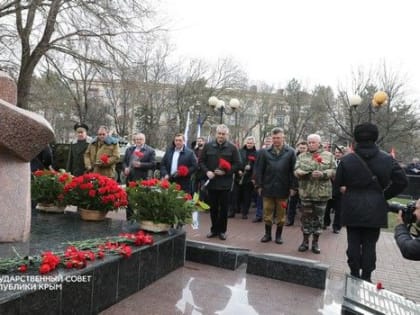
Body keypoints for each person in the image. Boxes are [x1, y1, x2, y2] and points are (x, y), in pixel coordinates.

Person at [334, 122, 408, 281]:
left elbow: (337, 185)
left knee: (353, 241)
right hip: (375, 207)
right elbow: (402, 181)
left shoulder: (347, 160)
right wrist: (383, 195)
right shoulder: (387, 159)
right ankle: (366, 276)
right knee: (370, 244)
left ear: (356, 137)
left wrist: (345, 193)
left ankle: (354, 273)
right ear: (375, 137)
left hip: (352, 206)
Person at [294, 134, 336, 254]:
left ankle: (315, 242)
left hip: (321, 193)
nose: (311, 144)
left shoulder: (328, 155)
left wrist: (323, 174)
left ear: (319, 143)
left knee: (319, 219)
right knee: (305, 218)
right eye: (309, 142)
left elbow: (334, 170)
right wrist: (301, 173)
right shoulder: (302, 156)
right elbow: (296, 169)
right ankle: (305, 241)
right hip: (306, 191)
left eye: (313, 142)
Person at [199, 124, 241, 240]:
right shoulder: (208, 146)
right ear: (216, 133)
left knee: (223, 209)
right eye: (219, 133)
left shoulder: (232, 148)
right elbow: (201, 161)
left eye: (223, 134)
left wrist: (226, 172)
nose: (221, 136)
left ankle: (222, 231)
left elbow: (238, 164)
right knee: (213, 208)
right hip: (211, 183)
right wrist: (207, 172)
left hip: (225, 183)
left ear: (227, 135)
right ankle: (214, 230)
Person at [255, 128, 297, 244]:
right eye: (274, 138)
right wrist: (259, 185)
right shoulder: (264, 152)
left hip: (283, 189)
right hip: (267, 188)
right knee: (267, 213)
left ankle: (279, 235)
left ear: (283, 137)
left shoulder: (291, 152)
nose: (276, 140)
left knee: (281, 214)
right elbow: (259, 170)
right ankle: (267, 234)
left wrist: (293, 187)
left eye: (278, 138)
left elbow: (294, 171)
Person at [123, 132, 156, 220]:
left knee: (141, 201)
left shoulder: (150, 150)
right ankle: (129, 219)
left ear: (144, 140)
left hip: (142, 179)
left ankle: (141, 219)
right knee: (129, 200)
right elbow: (124, 161)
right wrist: (125, 168)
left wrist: (141, 164)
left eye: (140, 139)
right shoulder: (129, 149)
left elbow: (153, 164)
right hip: (129, 178)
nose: (138, 141)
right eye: (137, 139)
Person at [323, 145, 347, 233]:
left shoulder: (346, 162)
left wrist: (345, 185)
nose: (337, 154)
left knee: (339, 209)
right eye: (336, 152)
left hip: (340, 189)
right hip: (329, 188)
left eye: (339, 152)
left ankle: (337, 226)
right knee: (326, 208)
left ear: (343, 153)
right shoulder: (331, 161)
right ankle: (325, 222)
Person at [286, 140, 308, 226]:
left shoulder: (309, 157)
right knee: (292, 204)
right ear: (298, 147)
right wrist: (292, 186)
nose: (302, 149)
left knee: (304, 205)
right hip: (294, 184)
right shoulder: (293, 156)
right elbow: (290, 171)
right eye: (301, 147)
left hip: (305, 185)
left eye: (304, 148)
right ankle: (290, 220)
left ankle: (304, 221)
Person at [252, 135, 273, 223]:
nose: (268, 143)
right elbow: (256, 166)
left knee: (271, 199)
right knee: (260, 198)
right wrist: (254, 177)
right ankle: (259, 215)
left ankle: (270, 216)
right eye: (266, 141)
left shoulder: (275, 152)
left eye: (269, 141)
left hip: (272, 179)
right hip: (262, 179)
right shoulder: (259, 152)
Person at [237, 136, 258, 220]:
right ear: (245, 143)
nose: (249, 144)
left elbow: (257, 166)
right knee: (237, 194)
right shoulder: (240, 151)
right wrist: (239, 170)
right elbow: (236, 161)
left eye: (251, 143)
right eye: (248, 143)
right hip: (239, 176)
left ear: (254, 144)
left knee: (247, 196)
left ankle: (245, 212)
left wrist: (251, 168)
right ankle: (235, 209)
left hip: (249, 177)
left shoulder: (257, 153)